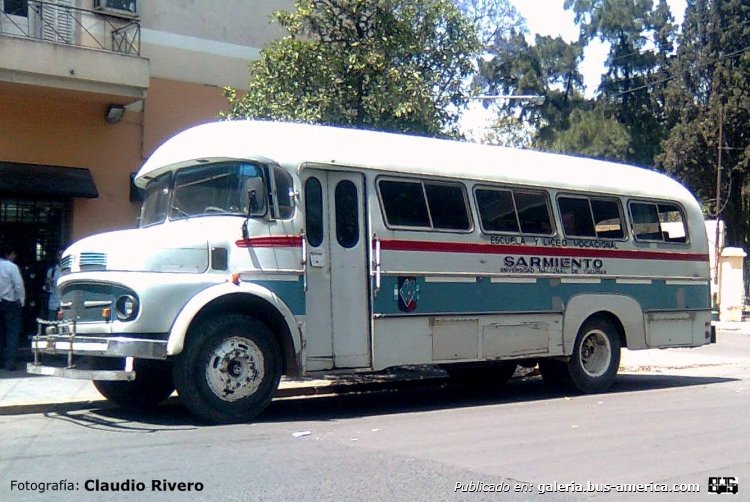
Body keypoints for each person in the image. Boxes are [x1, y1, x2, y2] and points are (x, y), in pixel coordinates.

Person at [0, 246, 25, 371]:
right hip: (9, 302)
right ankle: (10, 362)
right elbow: (18, 285)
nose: (15, 256)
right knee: (12, 333)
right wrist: (22, 300)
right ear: (7, 254)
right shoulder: (11, 267)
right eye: (13, 254)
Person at [45, 250, 63, 321]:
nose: (61, 257)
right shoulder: (52, 271)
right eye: (59, 255)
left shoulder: (70, 270)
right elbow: (47, 289)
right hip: (53, 303)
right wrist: (47, 283)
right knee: (51, 325)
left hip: (65, 303)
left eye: (62, 255)